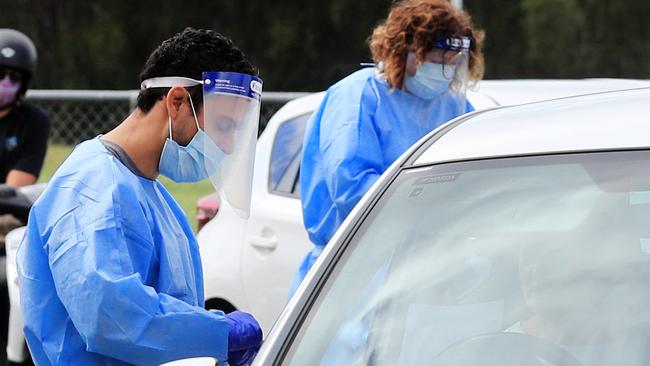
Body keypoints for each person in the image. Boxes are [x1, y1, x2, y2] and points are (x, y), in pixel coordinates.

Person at [16, 28, 263, 365]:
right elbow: (110, 316)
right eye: (223, 126)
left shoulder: (154, 196)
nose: (229, 146)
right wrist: (218, 333)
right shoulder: (90, 189)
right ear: (176, 101)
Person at [293, 0, 485, 293]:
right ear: (404, 49)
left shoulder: (453, 105)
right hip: (353, 271)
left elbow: (473, 179)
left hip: (428, 271)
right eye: (436, 59)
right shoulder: (359, 97)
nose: (445, 71)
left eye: (452, 62)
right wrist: (432, 210)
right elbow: (352, 188)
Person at [0, 28, 50, 366]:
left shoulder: (34, 122)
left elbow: (14, 189)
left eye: (13, 78)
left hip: (7, 219)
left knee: (11, 279)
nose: (5, 83)